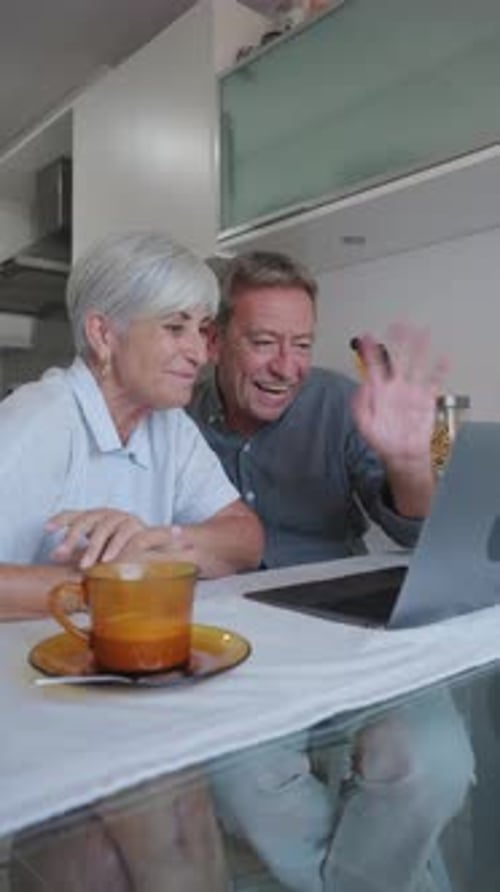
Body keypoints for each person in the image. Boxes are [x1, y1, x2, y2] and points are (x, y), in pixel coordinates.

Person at [189, 250, 475, 892]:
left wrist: (409, 463)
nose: (286, 366)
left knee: (435, 764)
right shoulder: (176, 423)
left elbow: (415, 530)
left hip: (350, 635)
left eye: (301, 344)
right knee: (244, 785)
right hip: (239, 656)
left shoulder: (339, 401)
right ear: (215, 340)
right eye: (263, 342)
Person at [0, 231, 263, 621]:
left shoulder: (170, 425)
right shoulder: (38, 418)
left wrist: (160, 543)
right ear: (103, 334)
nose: (199, 353)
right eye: (175, 327)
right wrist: (110, 583)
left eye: (202, 330)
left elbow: (246, 538)